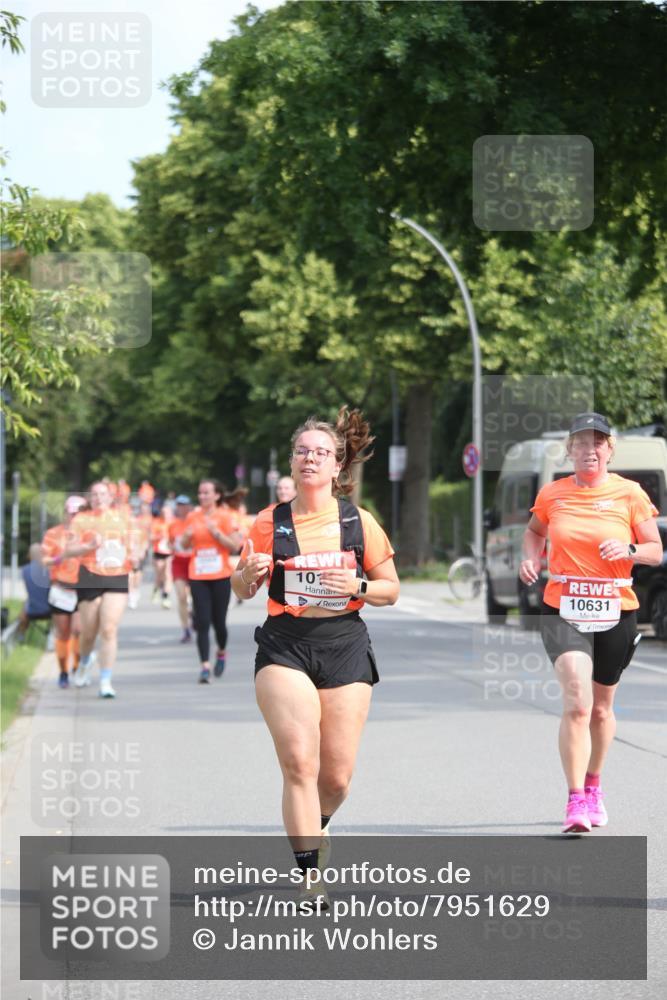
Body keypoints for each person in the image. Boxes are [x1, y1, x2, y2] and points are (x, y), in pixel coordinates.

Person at [232, 407, 399, 910]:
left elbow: (390, 590)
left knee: (336, 777)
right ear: (292, 462)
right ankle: (309, 877)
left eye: (320, 453)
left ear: (336, 466)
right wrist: (250, 573)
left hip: (344, 642)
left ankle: (317, 824)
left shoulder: (358, 521)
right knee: (299, 763)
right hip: (285, 644)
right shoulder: (268, 523)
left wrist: (360, 586)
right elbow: (239, 590)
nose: (310, 459)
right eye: (302, 451)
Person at [519, 413, 662, 833]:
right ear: (570, 450)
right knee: (578, 702)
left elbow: (655, 550)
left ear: (610, 450)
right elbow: (533, 531)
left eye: (598, 442)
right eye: (581, 443)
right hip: (563, 606)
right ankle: (575, 800)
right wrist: (530, 557)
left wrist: (630, 548)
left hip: (615, 607)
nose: (590, 450)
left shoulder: (630, 494)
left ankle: (594, 784)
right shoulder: (553, 493)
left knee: (601, 709)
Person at [63, 481, 141, 699]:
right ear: (89, 498)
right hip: (89, 574)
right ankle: (85, 662)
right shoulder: (81, 520)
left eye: (103, 494)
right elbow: (68, 551)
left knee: (108, 629)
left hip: (117, 574)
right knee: (88, 632)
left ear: (111, 496)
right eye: (94, 494)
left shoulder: (123, 517)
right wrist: (88, 546)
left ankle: (105, 681)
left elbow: (135, 545)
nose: (99, 498)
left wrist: (135, 555)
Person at [178, 480, 244, 684]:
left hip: (221, 575)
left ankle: (221, 652)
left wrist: (216, 533)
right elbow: (183, 544)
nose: (202, 496)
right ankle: (204, 666)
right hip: (198, 575)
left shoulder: (225, 517)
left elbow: (235, 546)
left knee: (219, 623)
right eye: (200, 493)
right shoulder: (192, 516)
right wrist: (187, 537)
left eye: (207, 493)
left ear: (216, 495)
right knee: (202, 622)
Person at [41, 495, 87, 688]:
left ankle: (77, 668)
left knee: (78, 630)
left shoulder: (89, 534)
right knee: (63, 633)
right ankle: (63, 672)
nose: (75, 517)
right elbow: (44, 560)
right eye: (72, 513)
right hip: (61, 587)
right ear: (65, 513)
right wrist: (61, 557)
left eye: (79, 513)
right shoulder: (53, 534)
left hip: (82, 588)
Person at [168, 495, 193, 643]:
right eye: (179, 505)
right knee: (181, 597)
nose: (181, 508)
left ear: (189, 506)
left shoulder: (194, 522)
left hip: (194, 562)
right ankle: (186, 629)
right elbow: (171, 543)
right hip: (178, 563)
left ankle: (194, 615)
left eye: (184, 505)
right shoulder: (173, 525)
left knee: (196, 597)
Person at [18, 543, 52, 636]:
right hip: (50, 610)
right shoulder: (50, 569)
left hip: (32, 610)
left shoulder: (25, 570)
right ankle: (53, 637)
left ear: (29, 555)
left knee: (25, 604)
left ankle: (21, 635)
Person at [150, 505, 172, 608]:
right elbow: (150, 537)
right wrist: (159, 536)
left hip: (170, 553)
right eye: (163, 512)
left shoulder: (173, 523)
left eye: (167, 513)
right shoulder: (156, 523)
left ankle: (166, 597)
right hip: (158, 552)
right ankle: (155, 589)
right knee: (159, 575)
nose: (165, 515)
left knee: (167, 574)